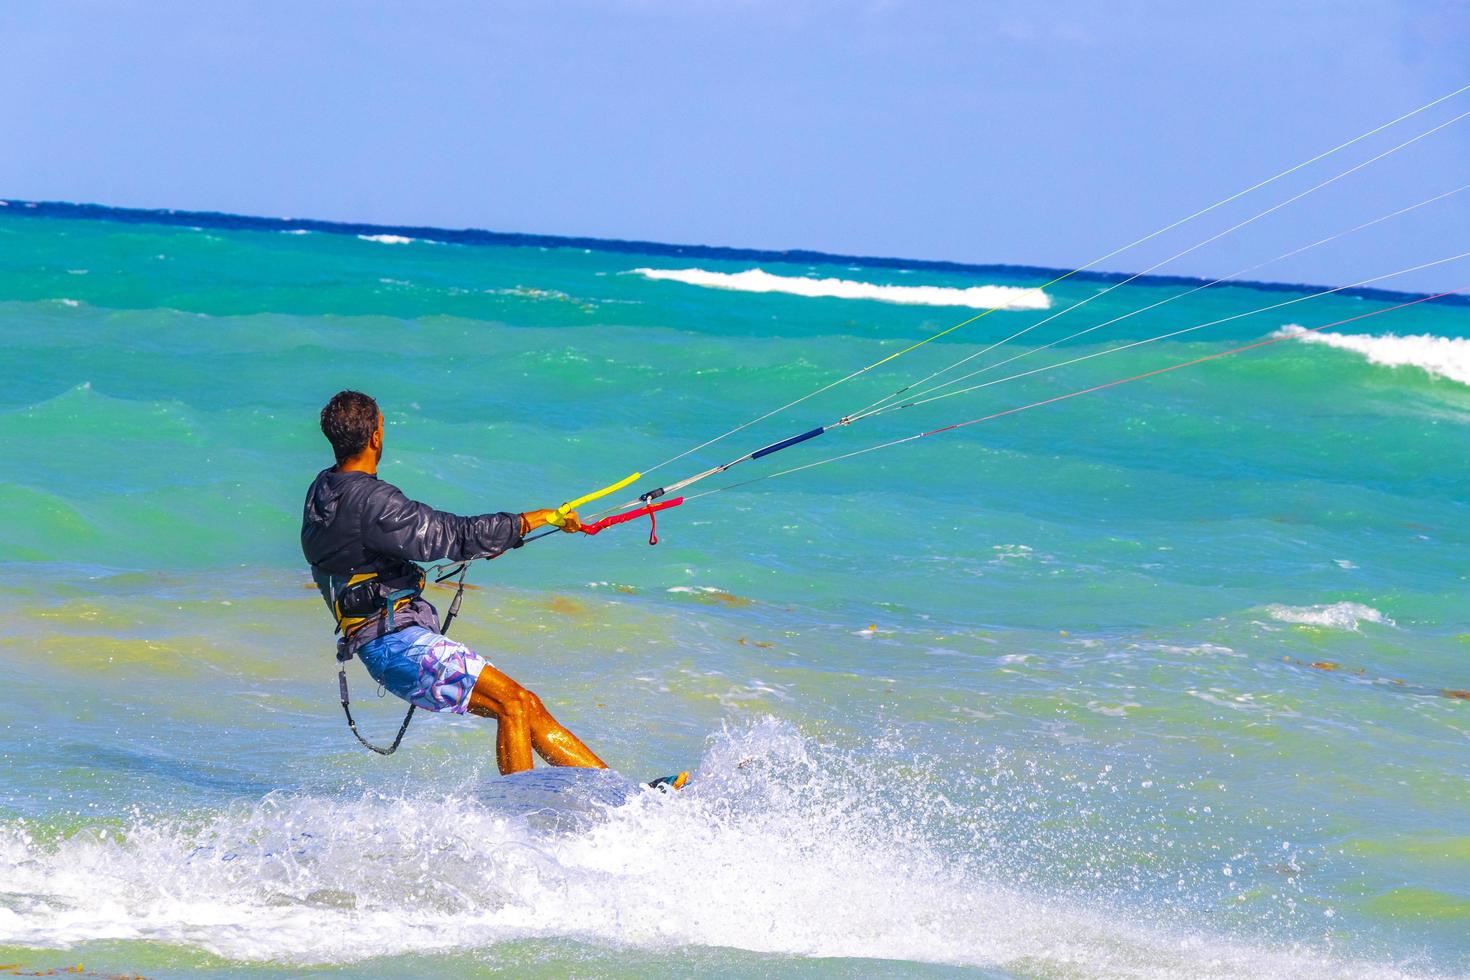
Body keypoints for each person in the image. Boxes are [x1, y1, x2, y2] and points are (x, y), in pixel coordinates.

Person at [301, 389, 606, 775]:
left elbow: (367, 549)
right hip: (400, 645)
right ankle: (521, 818)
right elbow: (453, 534)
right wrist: (535, 519)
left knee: (523, 706)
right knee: (513, 702)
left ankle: (622, 799)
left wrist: (491, 542)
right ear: (376, 437)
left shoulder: (322, 492)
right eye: (382, 424)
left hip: (383, 647)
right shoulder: (372, 500)